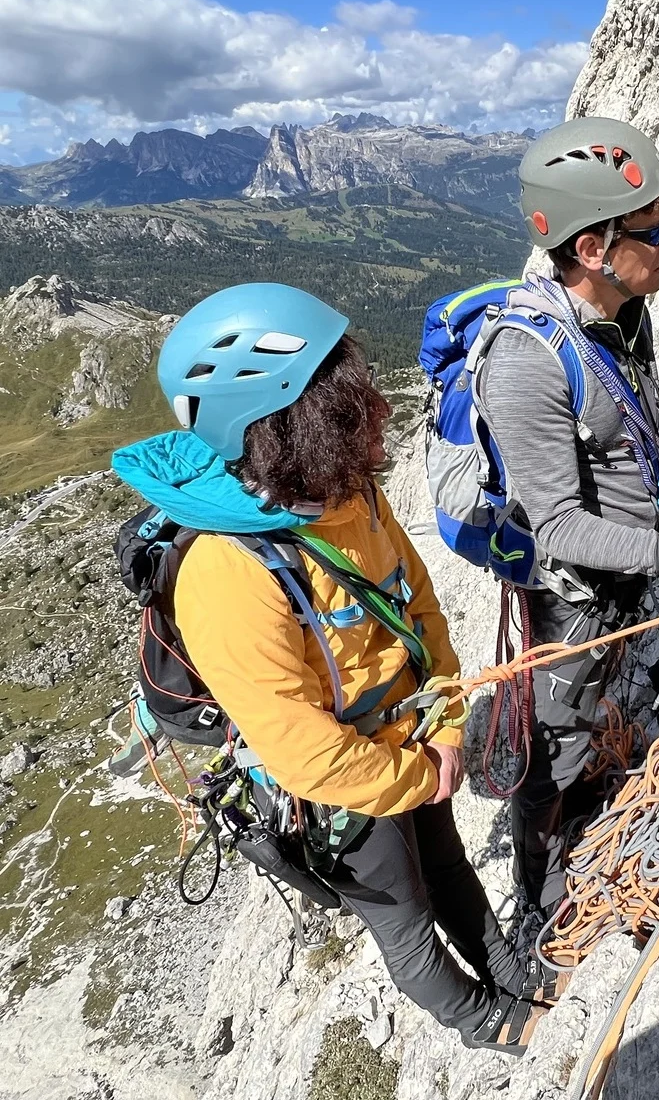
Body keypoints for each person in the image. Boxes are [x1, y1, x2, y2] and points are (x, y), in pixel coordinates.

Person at [119, 283, 542, 1054]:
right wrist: (415, 776)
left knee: (445, 863)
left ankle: (514, 969)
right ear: (278, 421)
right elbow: (302, 749)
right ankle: (490, 1021)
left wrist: (444, 726)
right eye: (337, 386)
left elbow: (420, 608)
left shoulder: (347, 490)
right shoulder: (226, 571)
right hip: (339, 785)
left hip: (410, 736)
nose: (367, 399)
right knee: (404, 916)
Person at [474, 117, 659, 949]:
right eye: (655, 231)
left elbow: (645, 413)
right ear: (593, 246)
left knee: (596, 701)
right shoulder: (527, 359)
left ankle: (592, 778)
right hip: (570, 597)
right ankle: (541, 902)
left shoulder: (623, 312)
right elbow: (561, 527)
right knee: (557, 740)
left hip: (628, 571)